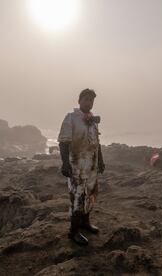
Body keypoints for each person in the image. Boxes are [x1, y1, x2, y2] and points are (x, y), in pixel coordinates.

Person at [57, 88, 105, 246]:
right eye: (86, 99)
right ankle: (73, 231)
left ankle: (85, 223)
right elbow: (63, 143)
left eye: (91, 100)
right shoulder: (71, 118)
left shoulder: (92, 120)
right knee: (77, 197)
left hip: (91, 165)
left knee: (91, 193)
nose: (89, 102)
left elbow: (96, 143)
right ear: (79, 100)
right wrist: (65, 164)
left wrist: (100, 161)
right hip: (76, 164)